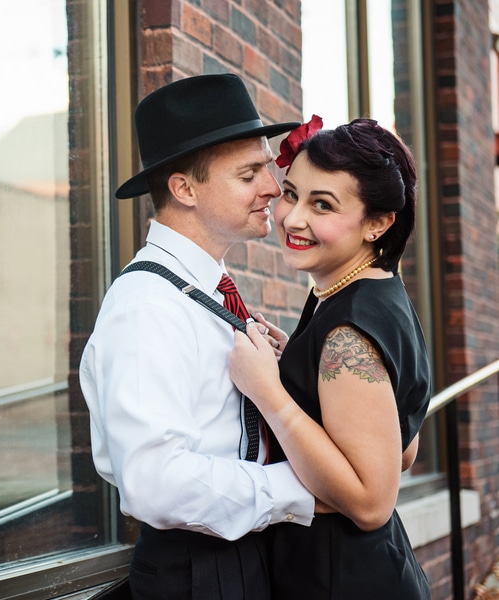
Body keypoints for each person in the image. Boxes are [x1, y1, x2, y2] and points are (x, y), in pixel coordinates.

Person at [79, 74, 316, 600]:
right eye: (250, 173)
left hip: (239, 558)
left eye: (268, 169)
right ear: (184, 189)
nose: (273, 189)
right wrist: (306, 489)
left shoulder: (203, 291)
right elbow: (158, 483)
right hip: (199, 574)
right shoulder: (147, 307)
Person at [229, 117, 432, 598]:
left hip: (342, 581)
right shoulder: (372, 293)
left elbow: (370, 501)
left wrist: (269, 391)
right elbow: (401, 451)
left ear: (378, 222)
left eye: (323, 205)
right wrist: (299, 362)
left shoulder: (345, 328)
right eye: (292, 194)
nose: (294, 218)